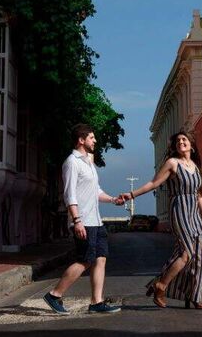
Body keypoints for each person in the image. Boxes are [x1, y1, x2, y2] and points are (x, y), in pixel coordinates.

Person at [43, 124, 126, 315]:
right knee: (86, 260)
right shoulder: (72, 162)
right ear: (81, 140)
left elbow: (95, 191)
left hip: (96, 220)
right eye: (92, 137)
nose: (95, 141)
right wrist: (77, 220)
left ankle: (96, 302)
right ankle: (54, 294)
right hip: (84, 220)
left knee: (100, 259)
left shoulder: (88, 162)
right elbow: (69, 194)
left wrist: (113, 200)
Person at [125, 131, 202, 310]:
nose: (181, 142)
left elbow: (199, 194)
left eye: (184, 139)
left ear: (191, 145)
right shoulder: (172, 163)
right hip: (179, 209)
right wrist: (132, 195)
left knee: (199, 256)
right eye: (178, 140)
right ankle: (161, 286)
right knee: (186, 253)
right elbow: (154, 183)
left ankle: (193, 295)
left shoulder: (195, 166)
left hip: (194, 212)